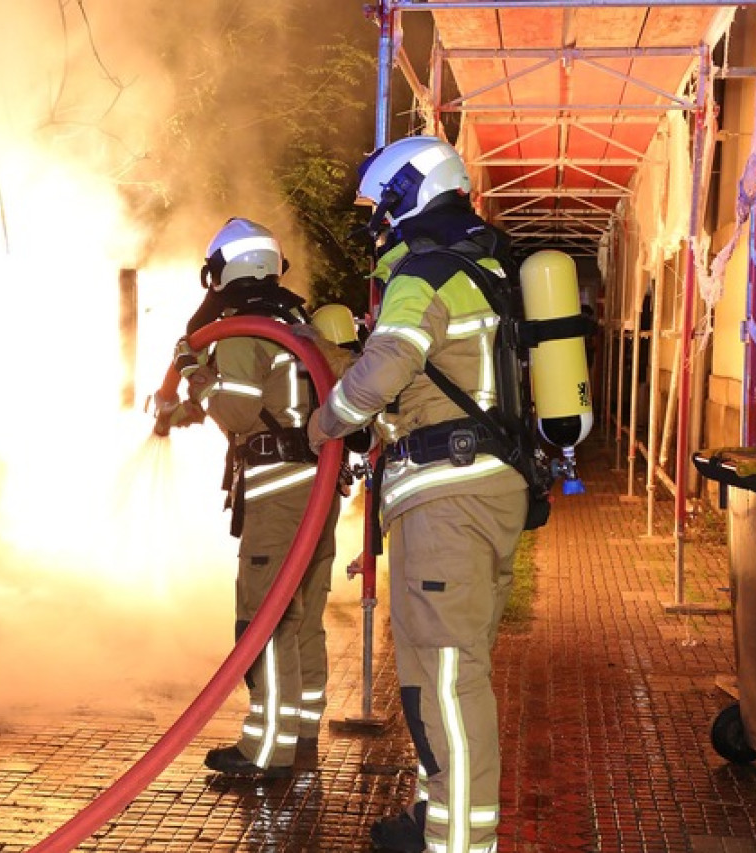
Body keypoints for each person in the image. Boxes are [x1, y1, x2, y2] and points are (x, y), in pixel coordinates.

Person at [306, 136, 529, 853]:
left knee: (448, 682)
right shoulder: (483, 270)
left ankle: (460, 844)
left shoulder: (422, 274)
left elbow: (383, 371)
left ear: (409, 192)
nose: (377, 226)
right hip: (482, 493)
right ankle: (436, 819)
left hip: (447, 503)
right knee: (448, 671)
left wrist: (328, 423)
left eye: (380, 208)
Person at [165, 217, 345, 778]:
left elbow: (239, 411)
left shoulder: (241, 328)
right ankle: (301, 728)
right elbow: (263, 399)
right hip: (318, 485)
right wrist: (184, 407)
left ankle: (266, 748)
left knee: (263, 619)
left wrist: (193, 370)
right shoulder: (291, 321)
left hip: (278, 491)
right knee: (303, 617)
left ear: (221, 269)